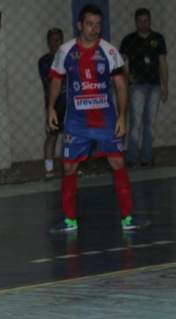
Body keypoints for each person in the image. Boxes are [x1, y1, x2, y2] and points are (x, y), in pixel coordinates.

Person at [47, 4, 143, 232]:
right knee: (69, 167)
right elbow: (56, 80)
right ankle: (70, 221)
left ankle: (127, 218)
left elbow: (121, 86)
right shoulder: (65, 51)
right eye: (90, 24)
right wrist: (50, 108)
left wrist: (121, 117)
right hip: (76, 122)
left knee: (117, 162)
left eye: (98, 25)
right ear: (79, 25)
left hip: (106, 120)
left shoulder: (110, 52)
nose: (94, 29)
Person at [120, 8, 168, 167]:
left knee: (150, 123)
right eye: (140, 21)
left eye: (146, 20)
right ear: (136, 22)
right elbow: (121, 63)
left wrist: (165, 85)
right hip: (137, 87)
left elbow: (163, 63)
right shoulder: (128, 40)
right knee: (135, 123)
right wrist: (127, 79)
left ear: (150, 20)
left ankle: (147, 157)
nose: (143, 23)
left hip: (155, 85)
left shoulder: (158, 38)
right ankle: (132, 158)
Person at [38, 27, 65, 180]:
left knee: (70, 137)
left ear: (62, 41)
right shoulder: (44, 61)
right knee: (52, 136)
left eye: (58, 40)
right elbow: (51, 81)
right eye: (52, 40)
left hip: (69, 105)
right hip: (53, 106)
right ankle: (49, 169)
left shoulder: (69, 57)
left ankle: (69, 166)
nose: (55, 43)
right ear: (48, 42)